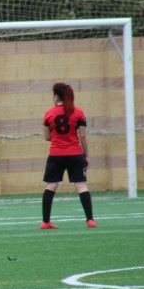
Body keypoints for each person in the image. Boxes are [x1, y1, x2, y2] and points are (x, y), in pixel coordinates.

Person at [41, 82, 97, 229]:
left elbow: (47, 137)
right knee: (81, 185)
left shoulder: (48, 114)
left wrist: (59, 139)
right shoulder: (79, 113)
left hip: (56, 154)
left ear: (55, 96)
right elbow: (83, 136)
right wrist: (86, 156)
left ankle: (46, 222)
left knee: (51, 185)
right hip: (75, 154)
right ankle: (90, 220)